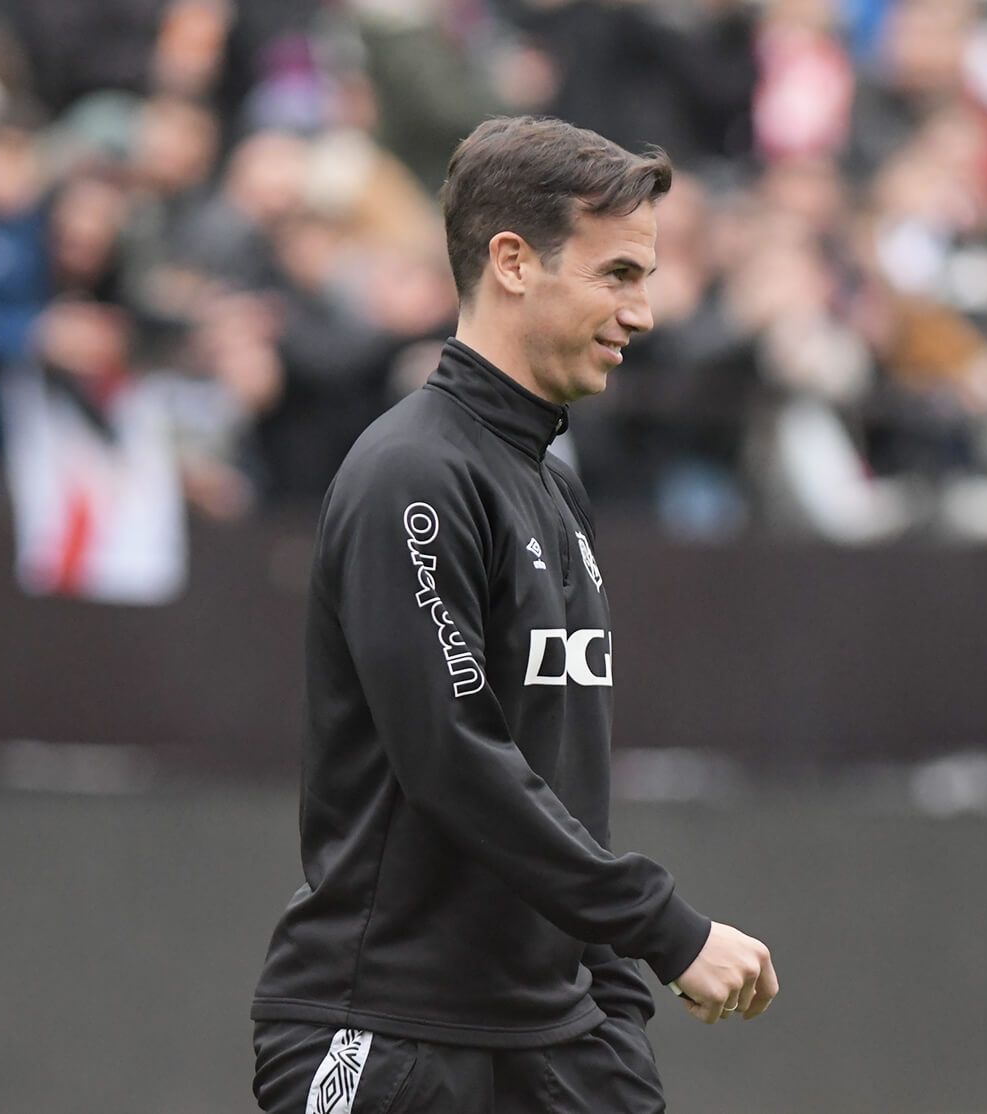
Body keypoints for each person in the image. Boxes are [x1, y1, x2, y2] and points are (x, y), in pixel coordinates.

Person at [250, 115, 778, 1114]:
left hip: (561, 1038)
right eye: (619, 274)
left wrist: (614, 1000)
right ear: (511, 262)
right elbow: (451, 755)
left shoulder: (551, 488)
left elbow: (560, 770)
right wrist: (661, 927)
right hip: (388, 1035)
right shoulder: (413, 474)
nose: (644, 311)